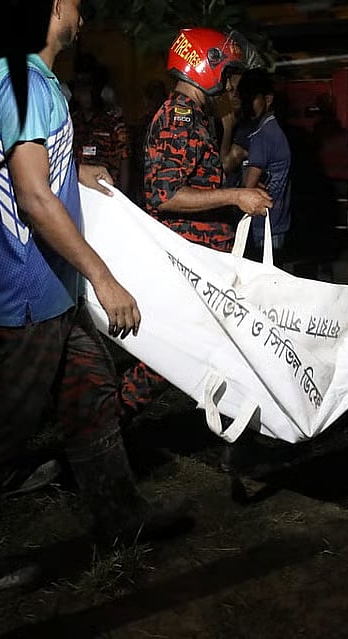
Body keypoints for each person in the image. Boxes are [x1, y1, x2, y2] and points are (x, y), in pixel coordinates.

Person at [0, 0, 192, 593]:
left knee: (91, 398)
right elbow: (31, 195)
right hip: (29, 294)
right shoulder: (23, 80)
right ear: (52, 6)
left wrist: (77, 171)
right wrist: (104, 278)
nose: (81, 13)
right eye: (75, 0)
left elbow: (27, 169)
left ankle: (120, 517)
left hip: (49, 288)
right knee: (5, 431)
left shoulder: (21, 79)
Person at [118, 28, 272, 424]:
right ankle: (106, 422)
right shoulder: (178, 117)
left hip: (204, 258)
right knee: (169, 357)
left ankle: (242, 428)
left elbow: (197, 175)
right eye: (231, 72)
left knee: (216, 345)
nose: (233, 81)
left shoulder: (194, 116)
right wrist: (236, 196)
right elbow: (165, 195)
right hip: (188, 260)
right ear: (209, 66)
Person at [236, 68, 292, 263]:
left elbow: (247, 187)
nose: (247, 105)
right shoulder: (275, 129)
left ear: (268, 99)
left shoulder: (263, 136)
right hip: (278, 220)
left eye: (252, 98)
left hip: (263, 224)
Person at [70, 55, 131, 192]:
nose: (85, 95)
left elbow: (124, 160)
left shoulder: (113, 123)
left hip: (107, 189)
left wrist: (123, 194)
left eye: (89, 90)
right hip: (78, 188)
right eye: (81, 91)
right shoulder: (71, 122)